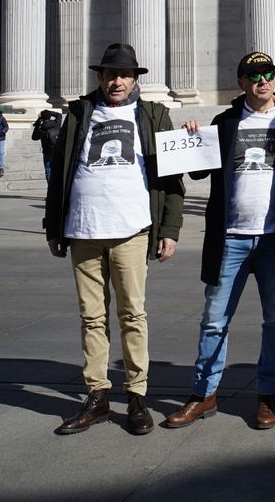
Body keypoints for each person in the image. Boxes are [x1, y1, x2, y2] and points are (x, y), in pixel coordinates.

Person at [43, 42, 186, 437]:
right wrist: (53, 226)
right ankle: (97, 396)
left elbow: (173, 180)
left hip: (132, 230)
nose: (117, 81)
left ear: (135, 79)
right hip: (83, 230)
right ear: (100, 78)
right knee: (91, 317)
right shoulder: (77, 113)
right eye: (110, 75)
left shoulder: (153, 116)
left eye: (124, 75)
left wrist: (170, 230)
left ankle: (137, 396)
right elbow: (60, 173)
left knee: (132, 315)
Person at [165, 50, 275, 432]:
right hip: (229, 238)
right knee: (214, 320)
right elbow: (197, 172)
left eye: (268, 74)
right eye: (254, 75)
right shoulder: (225, 121)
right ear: (242, 82)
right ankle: (204, 394)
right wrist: (192, 139)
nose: (263, 81)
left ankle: (267, 396)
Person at [32, 109, 63, 182]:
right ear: (49, 117)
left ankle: (50, 188)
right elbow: (59, 115)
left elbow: (34, 137)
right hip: (57, 150)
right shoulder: (56, 124)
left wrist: (38, 121)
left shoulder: (42, 128)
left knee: (48, 170)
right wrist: (49, 112)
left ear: (42, 118)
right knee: (58, 169)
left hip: (47, 152)